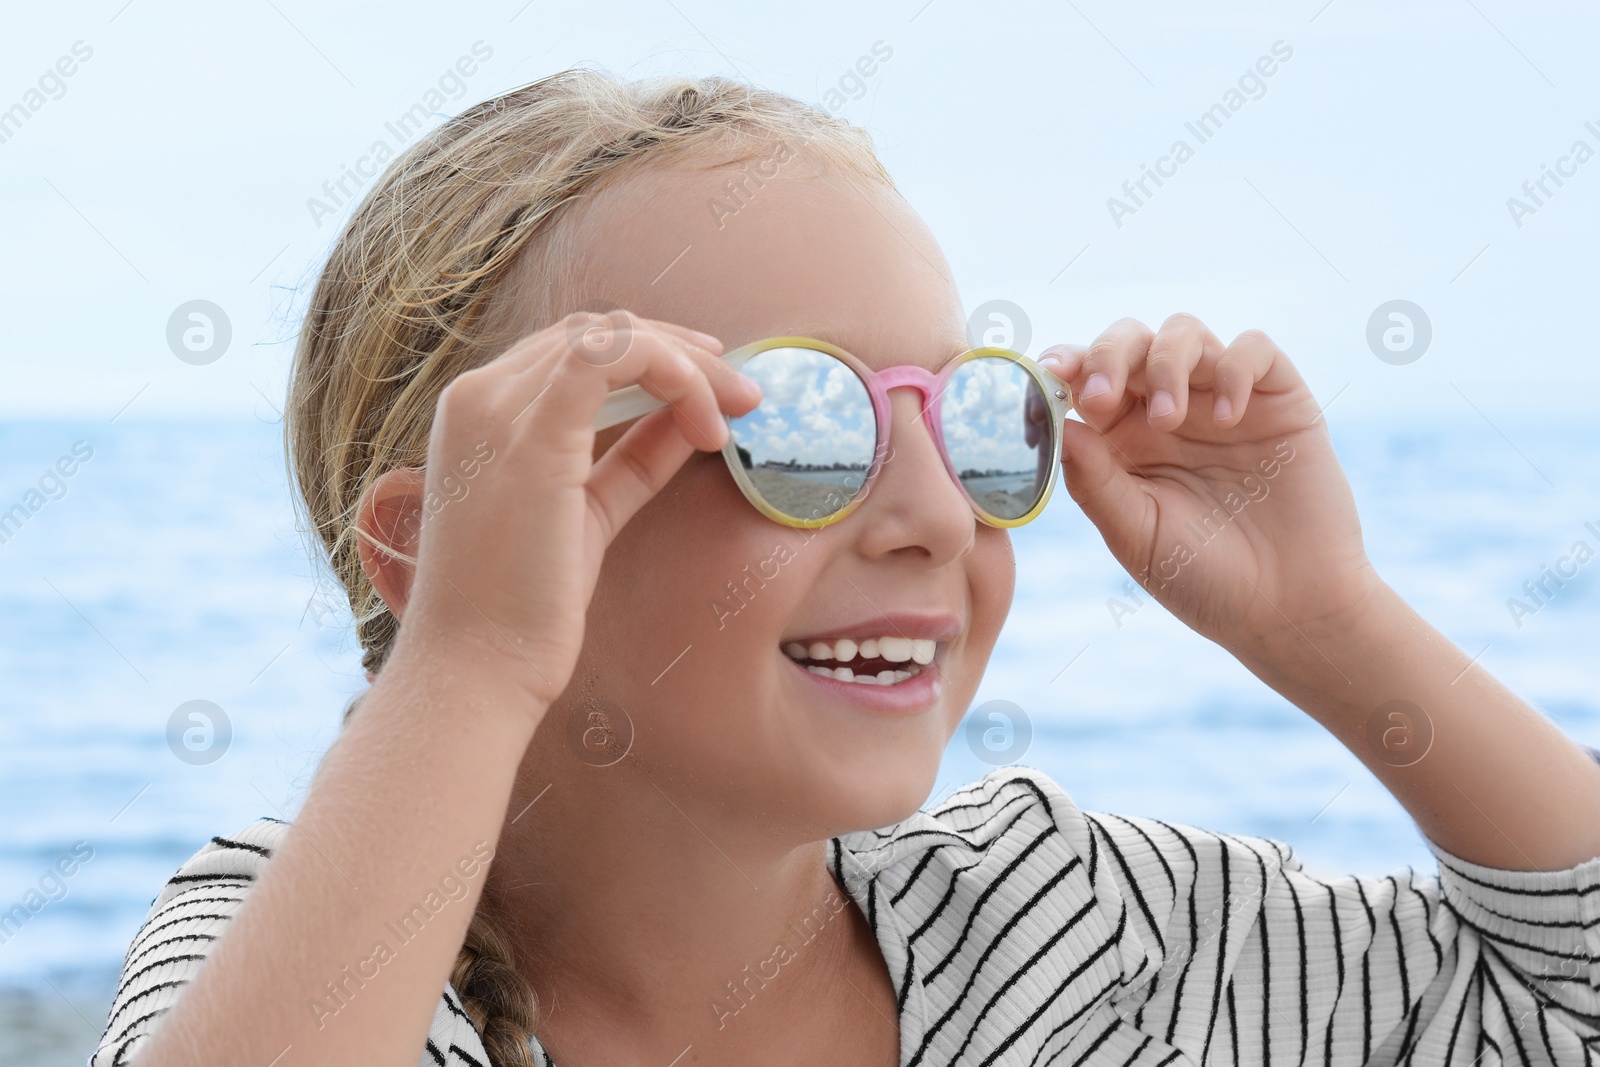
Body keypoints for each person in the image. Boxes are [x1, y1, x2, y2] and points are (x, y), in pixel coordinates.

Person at [92, 69, 1600, 1067]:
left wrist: (1332, 626)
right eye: (797, 427)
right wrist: (470, 668)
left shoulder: (1075, 929)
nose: (938, 514)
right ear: (434, 551)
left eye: (970, 420)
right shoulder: (300, 966)